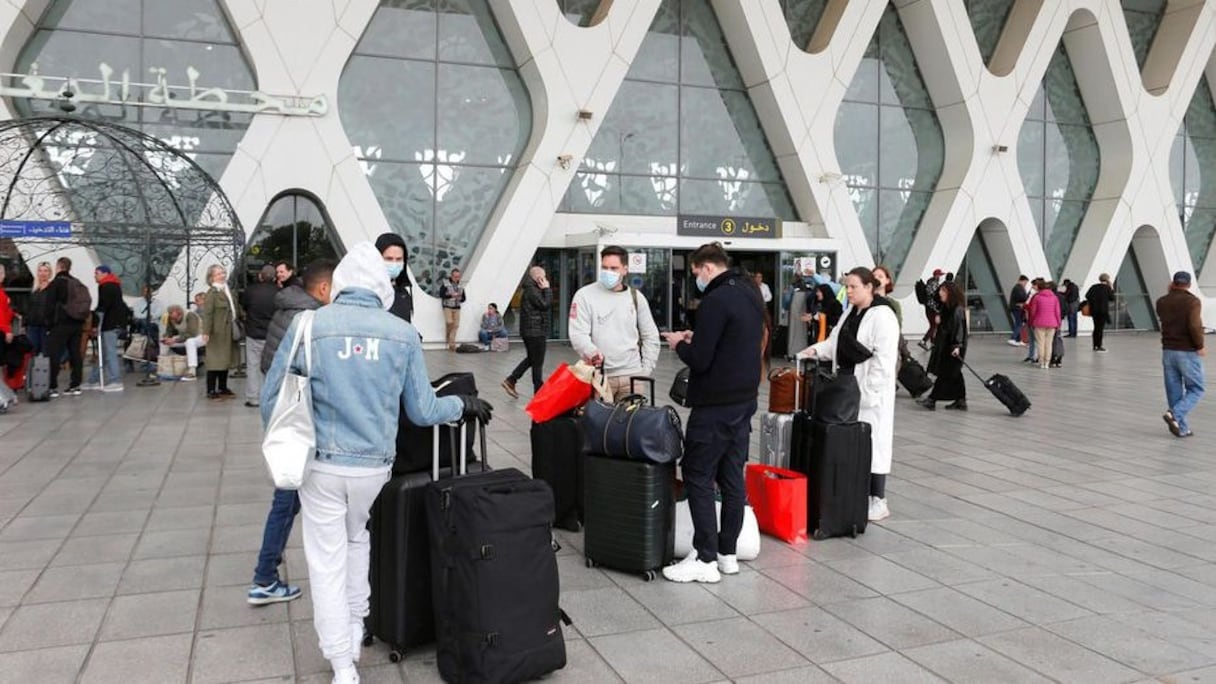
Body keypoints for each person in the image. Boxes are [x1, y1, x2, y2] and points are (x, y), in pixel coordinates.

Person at [262, 242, 493, 684]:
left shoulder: (309, 325)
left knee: (325, 560)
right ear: (381, 287)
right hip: (373, 469)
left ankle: (342, 661)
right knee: (356, 540)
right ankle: (356, 623)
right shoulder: (401, 334)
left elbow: (273, 399)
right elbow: (423, 411)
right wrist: (462, 405)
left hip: (321, 466)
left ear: (342, 283)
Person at [659, 243, 762, 583]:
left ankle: (704, 558)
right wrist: (698, 336)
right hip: (744, 401)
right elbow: (734, 341)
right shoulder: (749, 292)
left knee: (698, 473)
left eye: (695, 273)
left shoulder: (715, 300)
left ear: (706, 268)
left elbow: (700, 359)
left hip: (715, 405)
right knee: (732, 477)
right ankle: (726, 553)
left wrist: (679, 343)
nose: (695, 280)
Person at [247, 260, 335, 608]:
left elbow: (273, 365)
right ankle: (264, 576)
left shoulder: (288, 308)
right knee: (286, 503)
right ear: (324, 289)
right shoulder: (309, 319)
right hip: (299, 426)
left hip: (285, 420)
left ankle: (267, 571)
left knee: (286, 502)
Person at [800, 267, 900, 521]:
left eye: (854, 286)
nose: (849, 291)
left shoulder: (883, 315)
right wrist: (814, 351)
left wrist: (868, 391)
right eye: (847, 286)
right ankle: (857, 494)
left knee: (874, 442)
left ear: (869, 287)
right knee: (852, 442)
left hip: (869, 391)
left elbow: (884, 359)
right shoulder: (849, 313)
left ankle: (878, 498)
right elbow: (835, 342)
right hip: (846, 386)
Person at [569, 245, 661, 398]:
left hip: (632, 376)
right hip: (600, 377)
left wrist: (645, 370)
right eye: (604, 267)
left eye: (614, 268)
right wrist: (592, 353)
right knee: (599, 422)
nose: (608, 272)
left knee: (632, 421)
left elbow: (650, 335)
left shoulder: (636, 297)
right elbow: (578, 334)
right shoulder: (585, 295)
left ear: (625, 270)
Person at [261, 261, 336, 374]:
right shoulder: (309, 317)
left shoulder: (290, 304)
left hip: (275, 378)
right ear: (324, 288)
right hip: (291, 385)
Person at [1157, 271, 1205, 438]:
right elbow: (1194, 326)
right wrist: (1200, 345)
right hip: (1187, 350)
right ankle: (1174, 414)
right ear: (1189, 284)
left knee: (1173, 390)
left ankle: (1181, 427)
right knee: (1197, 388)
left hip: (1168, 350)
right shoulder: (1192, 301)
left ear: (1173, 283)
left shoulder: (1162, 301)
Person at [503, 265, 551, 397]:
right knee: (537, 362)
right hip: (535, 331)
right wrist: (547, 289)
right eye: (544, 277)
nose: (546, 280)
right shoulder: (532, 291)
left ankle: (511, 380)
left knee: (532, 359)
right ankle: (539, 393)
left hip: (531, 330)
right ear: (539, 278)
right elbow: (545, 304)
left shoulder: (531, 289)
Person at [43, 257, 89, 397]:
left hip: (60, 324)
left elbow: (50, 306)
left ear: (59, 266)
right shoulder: (76, 282)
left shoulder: (56, 283)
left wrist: (48, 324)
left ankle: (52, 386)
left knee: (53, 354)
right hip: (77, 323)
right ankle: (75, 385)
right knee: (75, 353)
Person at [919, 281, 968, 410]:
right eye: (940, 290)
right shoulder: (947, 307)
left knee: (945, 373)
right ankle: (960, 400)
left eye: (943, 291)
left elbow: (959, 329)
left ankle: (932, 399)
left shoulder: (957, 309)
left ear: (950, 293)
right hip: (946, 345)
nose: (940, 293)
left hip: (953, 346)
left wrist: (956, 346)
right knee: (955, 373)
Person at [82, 265, 128, 391]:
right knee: (104, 353)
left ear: (104, 274)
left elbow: (103, 306)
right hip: (116, 322)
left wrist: (96, 323)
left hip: (109, 324)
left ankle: (115, 380)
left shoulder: (105, 286)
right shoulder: (115, 285)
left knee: (109, 352)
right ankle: (94, 379)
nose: (95, 276)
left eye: (97, 273)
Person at [200, 264, 241, 399]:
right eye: (218, 274)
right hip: (217, 332)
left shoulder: (227, 290)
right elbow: (208, 314)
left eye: (223, 272)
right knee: (214, 361)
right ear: (212, 277)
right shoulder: (212, 293)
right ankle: (211, 389)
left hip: (228, 330)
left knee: (225, 360)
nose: (222, 275)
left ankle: (223, 387)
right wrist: (206, 332)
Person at [241, 265, 279, 407]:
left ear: (260, 276)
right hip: (272, 335)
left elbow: (244, 307)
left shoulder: (250, 291)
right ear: (274, 277)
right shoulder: (279, 292)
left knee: (253, 366)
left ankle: (253, 398)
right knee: (272, 367)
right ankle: (271, 397)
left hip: (253, 333)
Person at [375, 233, 414, 323]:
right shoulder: (368, 292)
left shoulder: (403, 293)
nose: (394, 264)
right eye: (389, 259)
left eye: (399, 259)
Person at [1026, 279, 1060, 369]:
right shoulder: (1054, 298)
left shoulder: (1037, 297)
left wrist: (1031, 321)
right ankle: (1047, 362)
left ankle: (1041, 362)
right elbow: (1057, 312)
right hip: (1052, 323)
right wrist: (1058, 323)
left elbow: (1033, 311)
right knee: (1049, 343)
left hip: (1039, 323)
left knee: (1040, 343)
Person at [160, 305, 203, 373]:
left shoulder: (190, 315)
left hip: (199, 336)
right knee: (164, 342)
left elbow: (192, 334)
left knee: (190, 342)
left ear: (179, 312)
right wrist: (167, 337)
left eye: (172, 313)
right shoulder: (171, 318)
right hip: (183, 337)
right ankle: (162, 363)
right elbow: (170, 331)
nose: (171, 316)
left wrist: (175, 340)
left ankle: (192, 369)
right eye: (170, 313)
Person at [23, 261, 53, 355]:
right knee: (31, 351)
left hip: (46, 326)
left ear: (50, 273)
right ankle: (31, 370)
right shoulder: (34, 289)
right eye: (40, 271)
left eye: (45, 271)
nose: (43, 273)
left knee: (46, 352)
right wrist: (25, 323)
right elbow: (29, 307)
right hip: (32, 325)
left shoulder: (53, 289)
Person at [1084, 273, 1115, 352]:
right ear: (1107, 279)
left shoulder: (1094, 287)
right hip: (1103, 311)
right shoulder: (1107, 288)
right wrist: (1112, 288)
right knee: (1100, 329)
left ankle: (1095, 345)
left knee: (1096, 328)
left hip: (1094, 311)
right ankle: (1099, 345)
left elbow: (1087, 296)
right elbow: (1112, 298)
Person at [438, 267, 466, 350]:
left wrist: (460, 298)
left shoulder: (460, 285)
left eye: (458, 277)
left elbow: (464, 298)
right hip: (448, 306)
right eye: (455, 277)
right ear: (451, 276)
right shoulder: (446, 284)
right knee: (449, 322)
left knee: (456, 325)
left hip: (457, 307)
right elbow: (441, 295)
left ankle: (451, 343)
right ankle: (448, 336)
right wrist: (451, 295)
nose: (457, 278)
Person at [918, 269, 944, 350]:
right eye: (940, 275)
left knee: (933, 325)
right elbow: (936, 296)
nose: (940, 277)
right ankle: (924, 341)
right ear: (936, 275)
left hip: (929, 307)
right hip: (933, 308)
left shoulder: (930, 283)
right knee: (934, 325)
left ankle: (933, 343)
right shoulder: (934, 284)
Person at [1007, 275, 1029, 347]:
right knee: (1019, 323)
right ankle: (1013, 338)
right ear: (1021, 281)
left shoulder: (1018, 287)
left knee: (1018, 323)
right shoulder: (1018, 288)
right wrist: (1028, 296)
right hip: (1016, 308)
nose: (1025, 284)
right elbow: (1022, 297)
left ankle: (1018, 340)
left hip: (1016, 308)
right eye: (1025, 282)